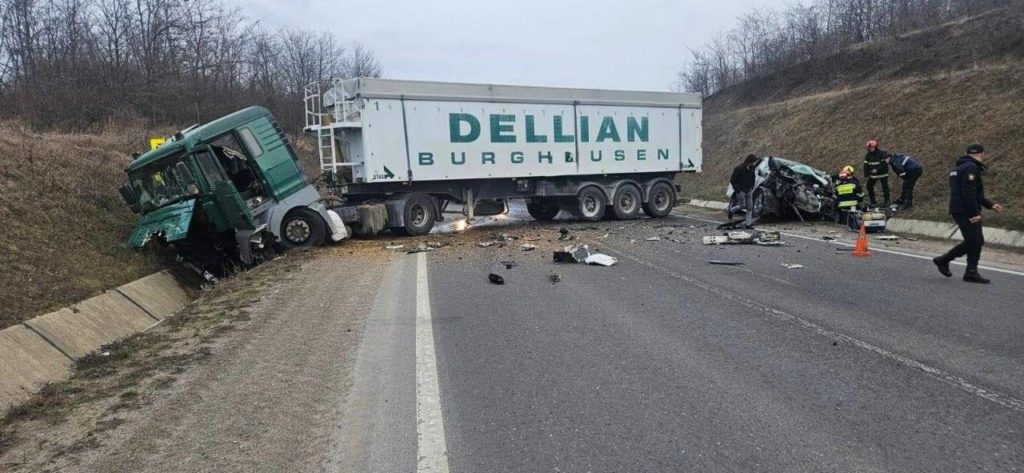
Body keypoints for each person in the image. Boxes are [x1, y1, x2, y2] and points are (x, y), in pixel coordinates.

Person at [933, 144, 1004, 284]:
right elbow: (969, 192)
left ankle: (971, 271)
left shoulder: (958, 168)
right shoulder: (971, 167)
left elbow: (974, 192)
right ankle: (944, 260)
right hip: (966, 210)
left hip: (959, 209)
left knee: (976, 240)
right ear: (982, 154)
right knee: (973, 240)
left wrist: (990, 205)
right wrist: (974, 213)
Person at [729, 154, 759, 228]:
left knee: (749, 207)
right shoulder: (738, 168)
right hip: (740, 190)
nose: (754, 163)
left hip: (749, 190)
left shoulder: (752, 168)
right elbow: (733, 180)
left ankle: (748, 224)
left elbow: (753, 177)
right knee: (742, 206)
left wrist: (752, 187)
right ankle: (731, 210)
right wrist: (738, 190)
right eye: (754, 161)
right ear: (750, 161)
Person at [863, 140, 890, 207]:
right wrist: (866, 174)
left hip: (883, 174)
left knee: (885, 187)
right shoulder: (868, 155)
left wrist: (877, 170)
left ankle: (887, 201)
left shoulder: (882, 153)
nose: (869, 149)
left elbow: (884, 164)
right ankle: (873, 202)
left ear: (875, 147)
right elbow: (866, 165)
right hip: (873, 175)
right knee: (869, 186)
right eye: (868, 148)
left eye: (871, 148)